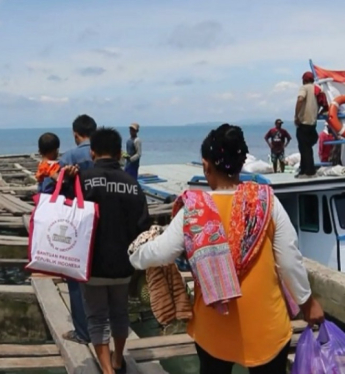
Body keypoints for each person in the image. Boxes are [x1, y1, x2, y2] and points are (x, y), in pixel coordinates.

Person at [129, 124, 324, 374]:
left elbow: (161, 252)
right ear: (241, 163)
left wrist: (135, 256)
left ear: (205, 165)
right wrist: (307, 303)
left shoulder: (195, 208)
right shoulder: (267, 201)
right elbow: (289, 261)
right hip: (266, 325)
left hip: (214, 328)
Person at [64, 127, 150, 374]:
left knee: (97, 317)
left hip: (91, 263)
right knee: (120, 314)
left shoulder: (83, 179)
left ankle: (106, 369)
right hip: (124, 265)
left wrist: (68, 179)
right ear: (119, 153)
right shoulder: (133, 184)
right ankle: (118, 359)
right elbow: (143, 226)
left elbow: (66, 212)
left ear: (92, 152)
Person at [57, 114, 97, 345]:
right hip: (100, 220)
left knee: (75, 277)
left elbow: (53, 187)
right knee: (96, 276)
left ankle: (83, 332)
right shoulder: (101, 155)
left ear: (75, 134)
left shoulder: (69, 157)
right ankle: (101, 325)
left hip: (76, 222)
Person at [294, 71, 320, 178]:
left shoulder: (304, 88)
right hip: (313, 123)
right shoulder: (318, 89)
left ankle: (308, 171)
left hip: (304, 122)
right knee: (308, 147)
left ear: (304, 80)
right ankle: (304, 169)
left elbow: (300, 99)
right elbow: (324, 103)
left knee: (304, 148)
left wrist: (296, 115)